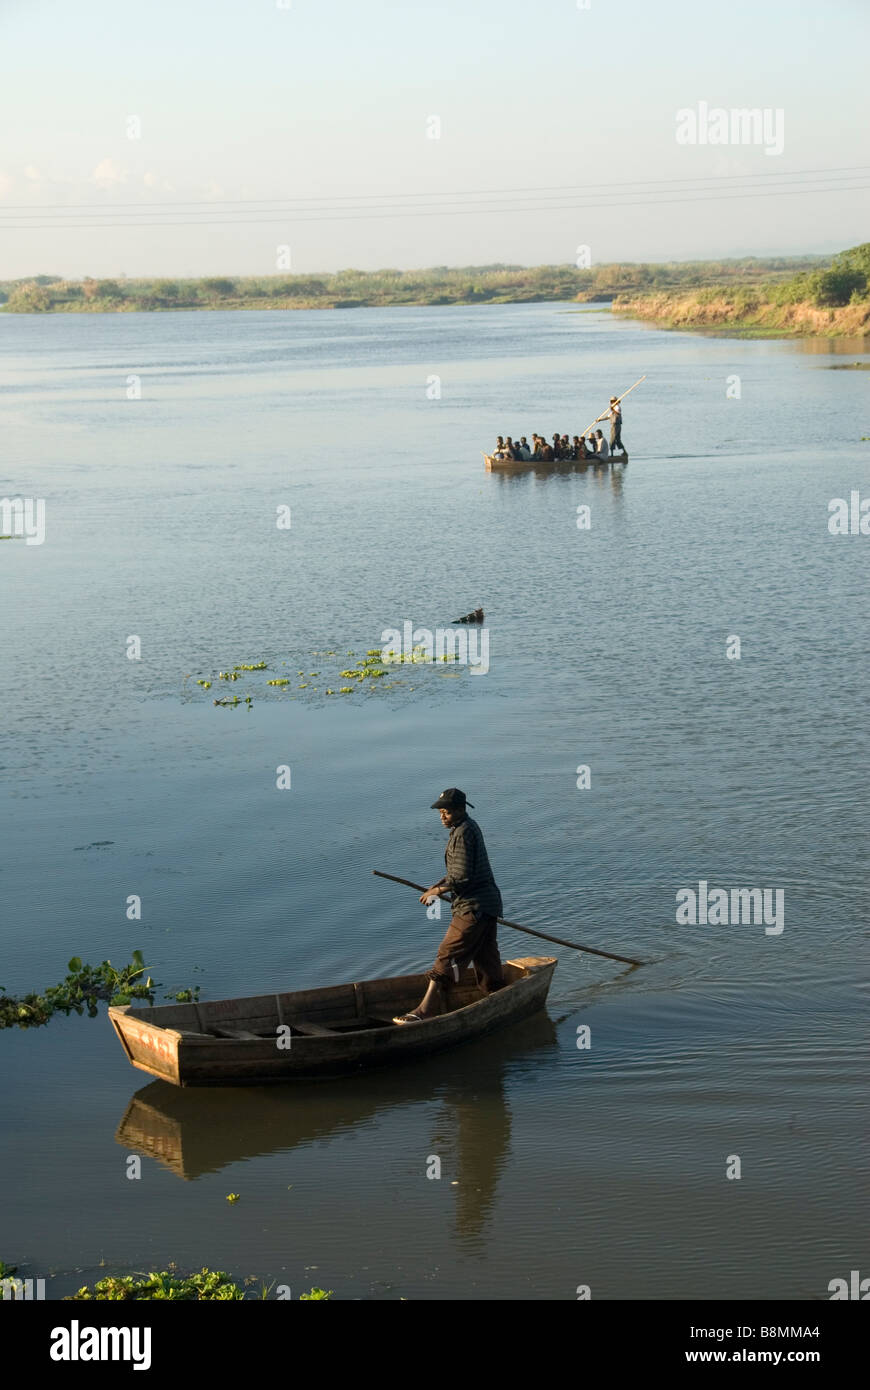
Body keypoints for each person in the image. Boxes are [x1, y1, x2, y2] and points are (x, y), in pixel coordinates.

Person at [393, 789, 504, 1024]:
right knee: (485, 956)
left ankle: (424, 1011)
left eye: (447, 812)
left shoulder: (464, 833)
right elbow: (459, 872)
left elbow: (462, 876)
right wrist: (438, 884)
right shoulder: (464, 828)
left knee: (448, 953)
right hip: (487, 904)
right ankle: (499, 997)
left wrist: (438, 891)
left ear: (461, 810)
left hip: (474, 906)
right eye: (441, 812)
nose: (442, 817)